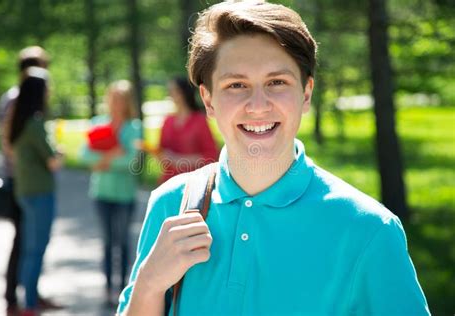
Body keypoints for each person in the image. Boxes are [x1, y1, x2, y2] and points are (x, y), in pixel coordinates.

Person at [118, 1, 430, 315]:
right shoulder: (171, 205)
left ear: (306, 94)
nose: (257, 105)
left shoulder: (369, 230)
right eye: (236, 85)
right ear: (208, 100)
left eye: (276, 82)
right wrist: (149, 284)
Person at [0, 46, 60, 315]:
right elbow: (53, 161)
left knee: (26, 244)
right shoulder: (33, 122)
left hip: (22, 186)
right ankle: (27, 301)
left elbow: (8, 146)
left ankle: (26, 297)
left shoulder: (16, 115)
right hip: (37, 189)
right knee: (34, 247)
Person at [80, 80, 142, 306]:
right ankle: (107, 290)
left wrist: (103, 161)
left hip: (124, 195)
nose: (116, 103)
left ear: (127, 102)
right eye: (113, 98)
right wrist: (112, 155)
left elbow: (131, 160)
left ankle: (125, 288)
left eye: (121, 99)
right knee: (107, 243)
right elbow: (84, 155)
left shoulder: (134, 127)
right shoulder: (99, 123)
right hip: (101, 194)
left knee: (123, 242)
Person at [154, 77, 218, 183]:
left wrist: (179, 160)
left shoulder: (200, 120)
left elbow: (211, 156)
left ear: (183, 93)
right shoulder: (167, 121)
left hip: (195, 184)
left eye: (172, 91)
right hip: (170, 183)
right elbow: (161, 152)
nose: (169, 95)